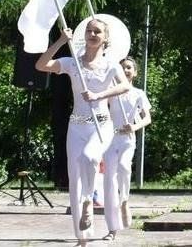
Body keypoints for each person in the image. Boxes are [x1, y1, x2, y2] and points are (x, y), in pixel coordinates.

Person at [37, 18, 130, 247]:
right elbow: (41, 65)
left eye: (97, 31)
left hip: (101, 124)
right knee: (75, 179)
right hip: (76, 126)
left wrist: (100, 95)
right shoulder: (72, 63)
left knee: (90, 157)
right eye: (89, 30)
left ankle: (89, 201)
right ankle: (82, 237)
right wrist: (60, 41)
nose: (92, 34)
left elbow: (125, 86)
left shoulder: (111, 65)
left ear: (105, 38)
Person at [101, 56, 152, 239]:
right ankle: (112, 228)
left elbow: (147, 118)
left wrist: (135, 126)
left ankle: (124, 201)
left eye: (129, 67)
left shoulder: (139, 93)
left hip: (127, 138)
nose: (126, 70)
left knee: (124, 167)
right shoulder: (111, 92)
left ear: (135, 72)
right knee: (109, 180)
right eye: (123, 67)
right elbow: (100, 109)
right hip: (109, 139)